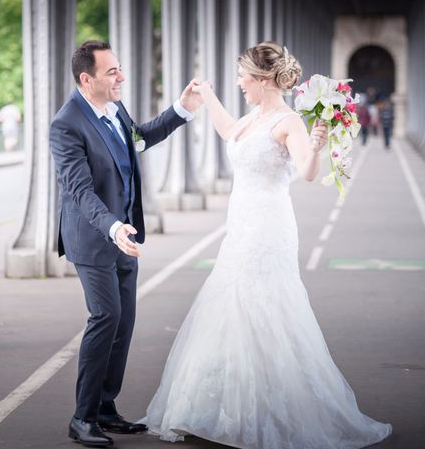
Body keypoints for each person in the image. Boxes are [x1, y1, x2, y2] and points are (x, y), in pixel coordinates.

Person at [142, 42, 392, 448]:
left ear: (261, 80)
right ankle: (217, 406)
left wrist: (317, 142)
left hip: (268, 227)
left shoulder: (288, 121)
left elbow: (308, 172)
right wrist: (205, 96)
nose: (239, 83)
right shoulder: (253, 118)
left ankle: (267, 408)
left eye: (243, 77)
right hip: (240, 224)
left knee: (264, 304)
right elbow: (228, 131)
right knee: (229, 302)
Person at [49, 40, 202, 448]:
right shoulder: (66, 125)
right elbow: (80, 192)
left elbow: (139, 140)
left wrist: (181, 109)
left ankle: (104, 407)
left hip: (124, 237)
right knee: (105, 317)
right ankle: (81, 417)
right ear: (87, 79)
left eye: (119, 68)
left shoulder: (114, 110)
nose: (121, 76)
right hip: (95, 237)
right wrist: (113, 227)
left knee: (124, 322)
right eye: (111, 72)